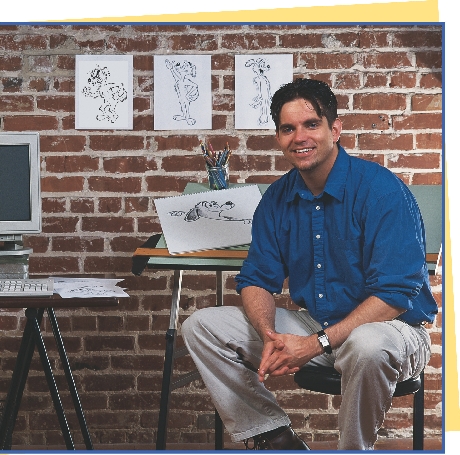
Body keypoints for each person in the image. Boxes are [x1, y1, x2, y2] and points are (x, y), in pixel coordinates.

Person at [181, 78, 437, 450]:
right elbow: (256, 278)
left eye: (311, 125)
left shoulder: (381, 190)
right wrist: (270, 335)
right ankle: (275, 438)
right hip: (318, 325)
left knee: (367, 343)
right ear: (279, 137)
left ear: (335, 129)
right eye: (288, 128)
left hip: (392, 331)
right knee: (201, 326)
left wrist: (314, 344)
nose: (299, 137)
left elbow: (396, 294)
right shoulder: (277, 198)